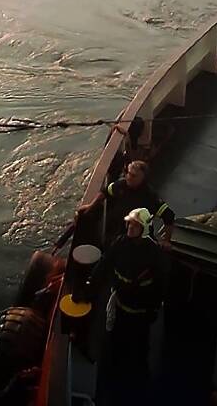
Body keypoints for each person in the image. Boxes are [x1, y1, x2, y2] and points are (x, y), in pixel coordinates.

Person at [86, 208, 169, 387]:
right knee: (116, 341)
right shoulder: (119, 244)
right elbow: (104, 265)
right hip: (121, 305)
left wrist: (153, 309)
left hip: (141, 311)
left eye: (135, 224)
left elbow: (161, 283)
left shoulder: (153, 253)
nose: (130, 227)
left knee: (139, 347)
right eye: (129, 223)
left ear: (144, 228)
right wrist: (90, 286)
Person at [77, 160, 175, 243]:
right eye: (128, 173)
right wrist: (90, 206)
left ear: (143, 178)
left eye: (133, 176)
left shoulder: (149, 196)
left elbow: (169, 216)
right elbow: (105, 192)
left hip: (137, 237)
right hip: (117, 231)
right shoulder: (122, 184)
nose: (128, 177)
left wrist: (166, 241)